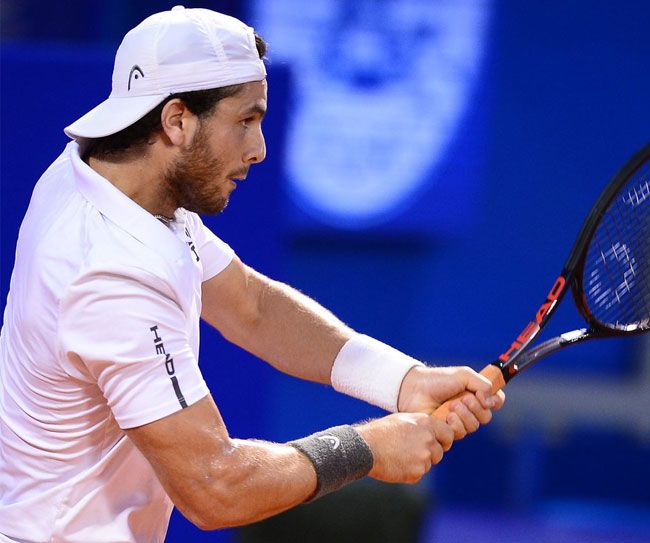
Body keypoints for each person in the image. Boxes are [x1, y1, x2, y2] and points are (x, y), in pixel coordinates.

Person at [0, 6, 504, 542]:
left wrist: (403, 382)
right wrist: (368, 448)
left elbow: (250, 306)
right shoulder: (110, 273)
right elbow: (216, 486)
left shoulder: (105, 176)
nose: (259, 149)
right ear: (176, 120)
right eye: (246, 120)